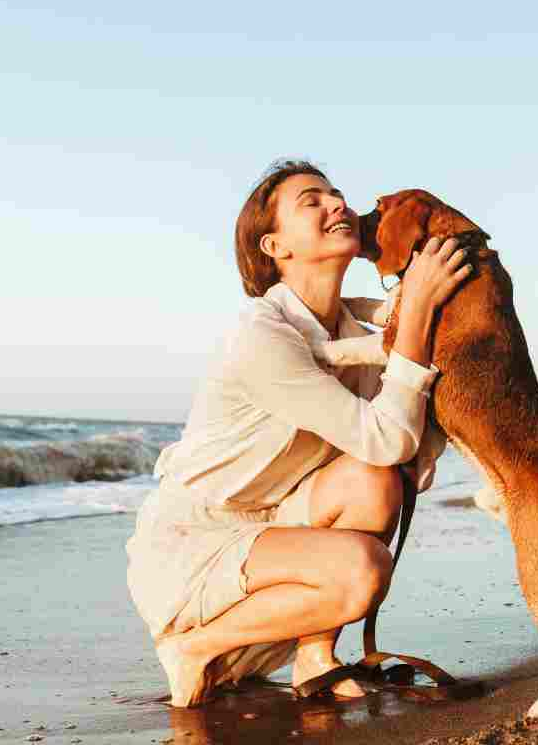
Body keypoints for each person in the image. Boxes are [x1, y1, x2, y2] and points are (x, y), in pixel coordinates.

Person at [125, 159, 472, 706]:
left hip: (279, 525)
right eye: (312, 201)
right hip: (197, 543)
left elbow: (402, 460)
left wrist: (424, 302)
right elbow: (391, 437)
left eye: (335, 194)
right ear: (275, 247)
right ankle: (195, 647)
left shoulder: (352, 327)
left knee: (375, 481)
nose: (336, 204)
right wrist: (420, 306)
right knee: (363, 571)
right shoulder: (261, 334)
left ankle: (315, 656)